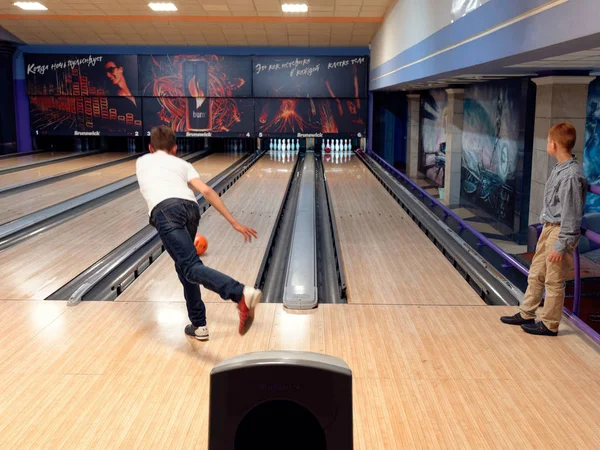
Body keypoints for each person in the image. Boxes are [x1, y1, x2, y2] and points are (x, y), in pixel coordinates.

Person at [136, 125, 262, 340]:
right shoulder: (183, 164)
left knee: (191, 267)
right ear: (175, 148)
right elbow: (206, 191)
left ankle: (239, 293)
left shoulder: (143, 160)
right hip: (191, 208)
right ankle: (199, 325)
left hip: (166, 211)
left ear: (150, 147)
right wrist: (234, 222)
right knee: (185, 268)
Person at [501, 123, 587, 336]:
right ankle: (527, 312)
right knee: (537, 272)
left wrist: (561, 245)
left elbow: (572, 216)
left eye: (548, 141)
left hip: (560, 233)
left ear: (554, 144)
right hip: (549, 229)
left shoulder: (571, 176)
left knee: (554, 280)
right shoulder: (559, 169)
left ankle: (549, 324)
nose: (547, 145)